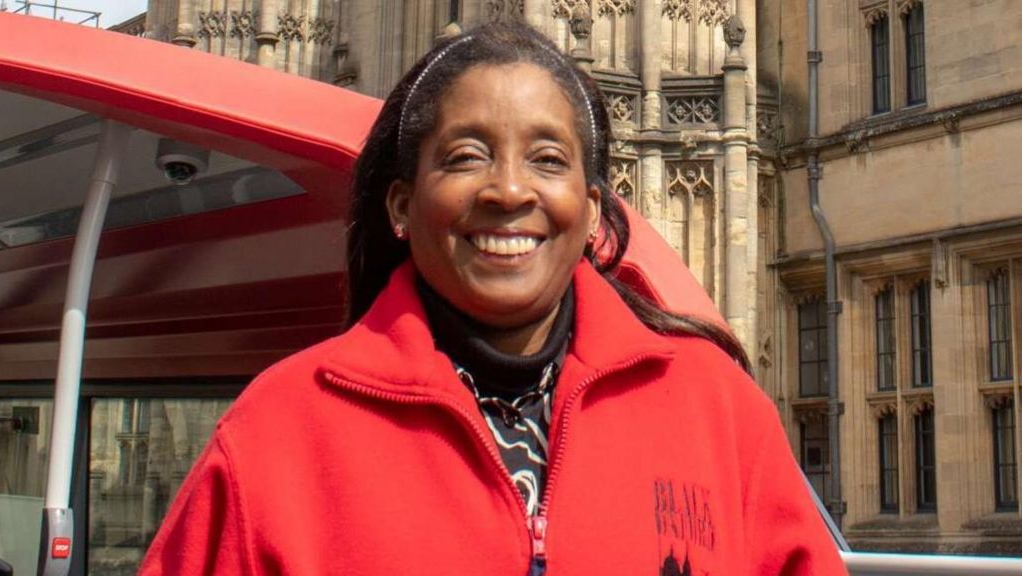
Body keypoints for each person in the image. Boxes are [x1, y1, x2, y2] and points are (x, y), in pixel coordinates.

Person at [139, 21, 846, 576]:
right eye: (466, 156)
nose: (509, 192)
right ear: (401, 205)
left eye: (547, 159)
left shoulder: (715, 408)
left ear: (596, 210)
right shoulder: (282, 430)